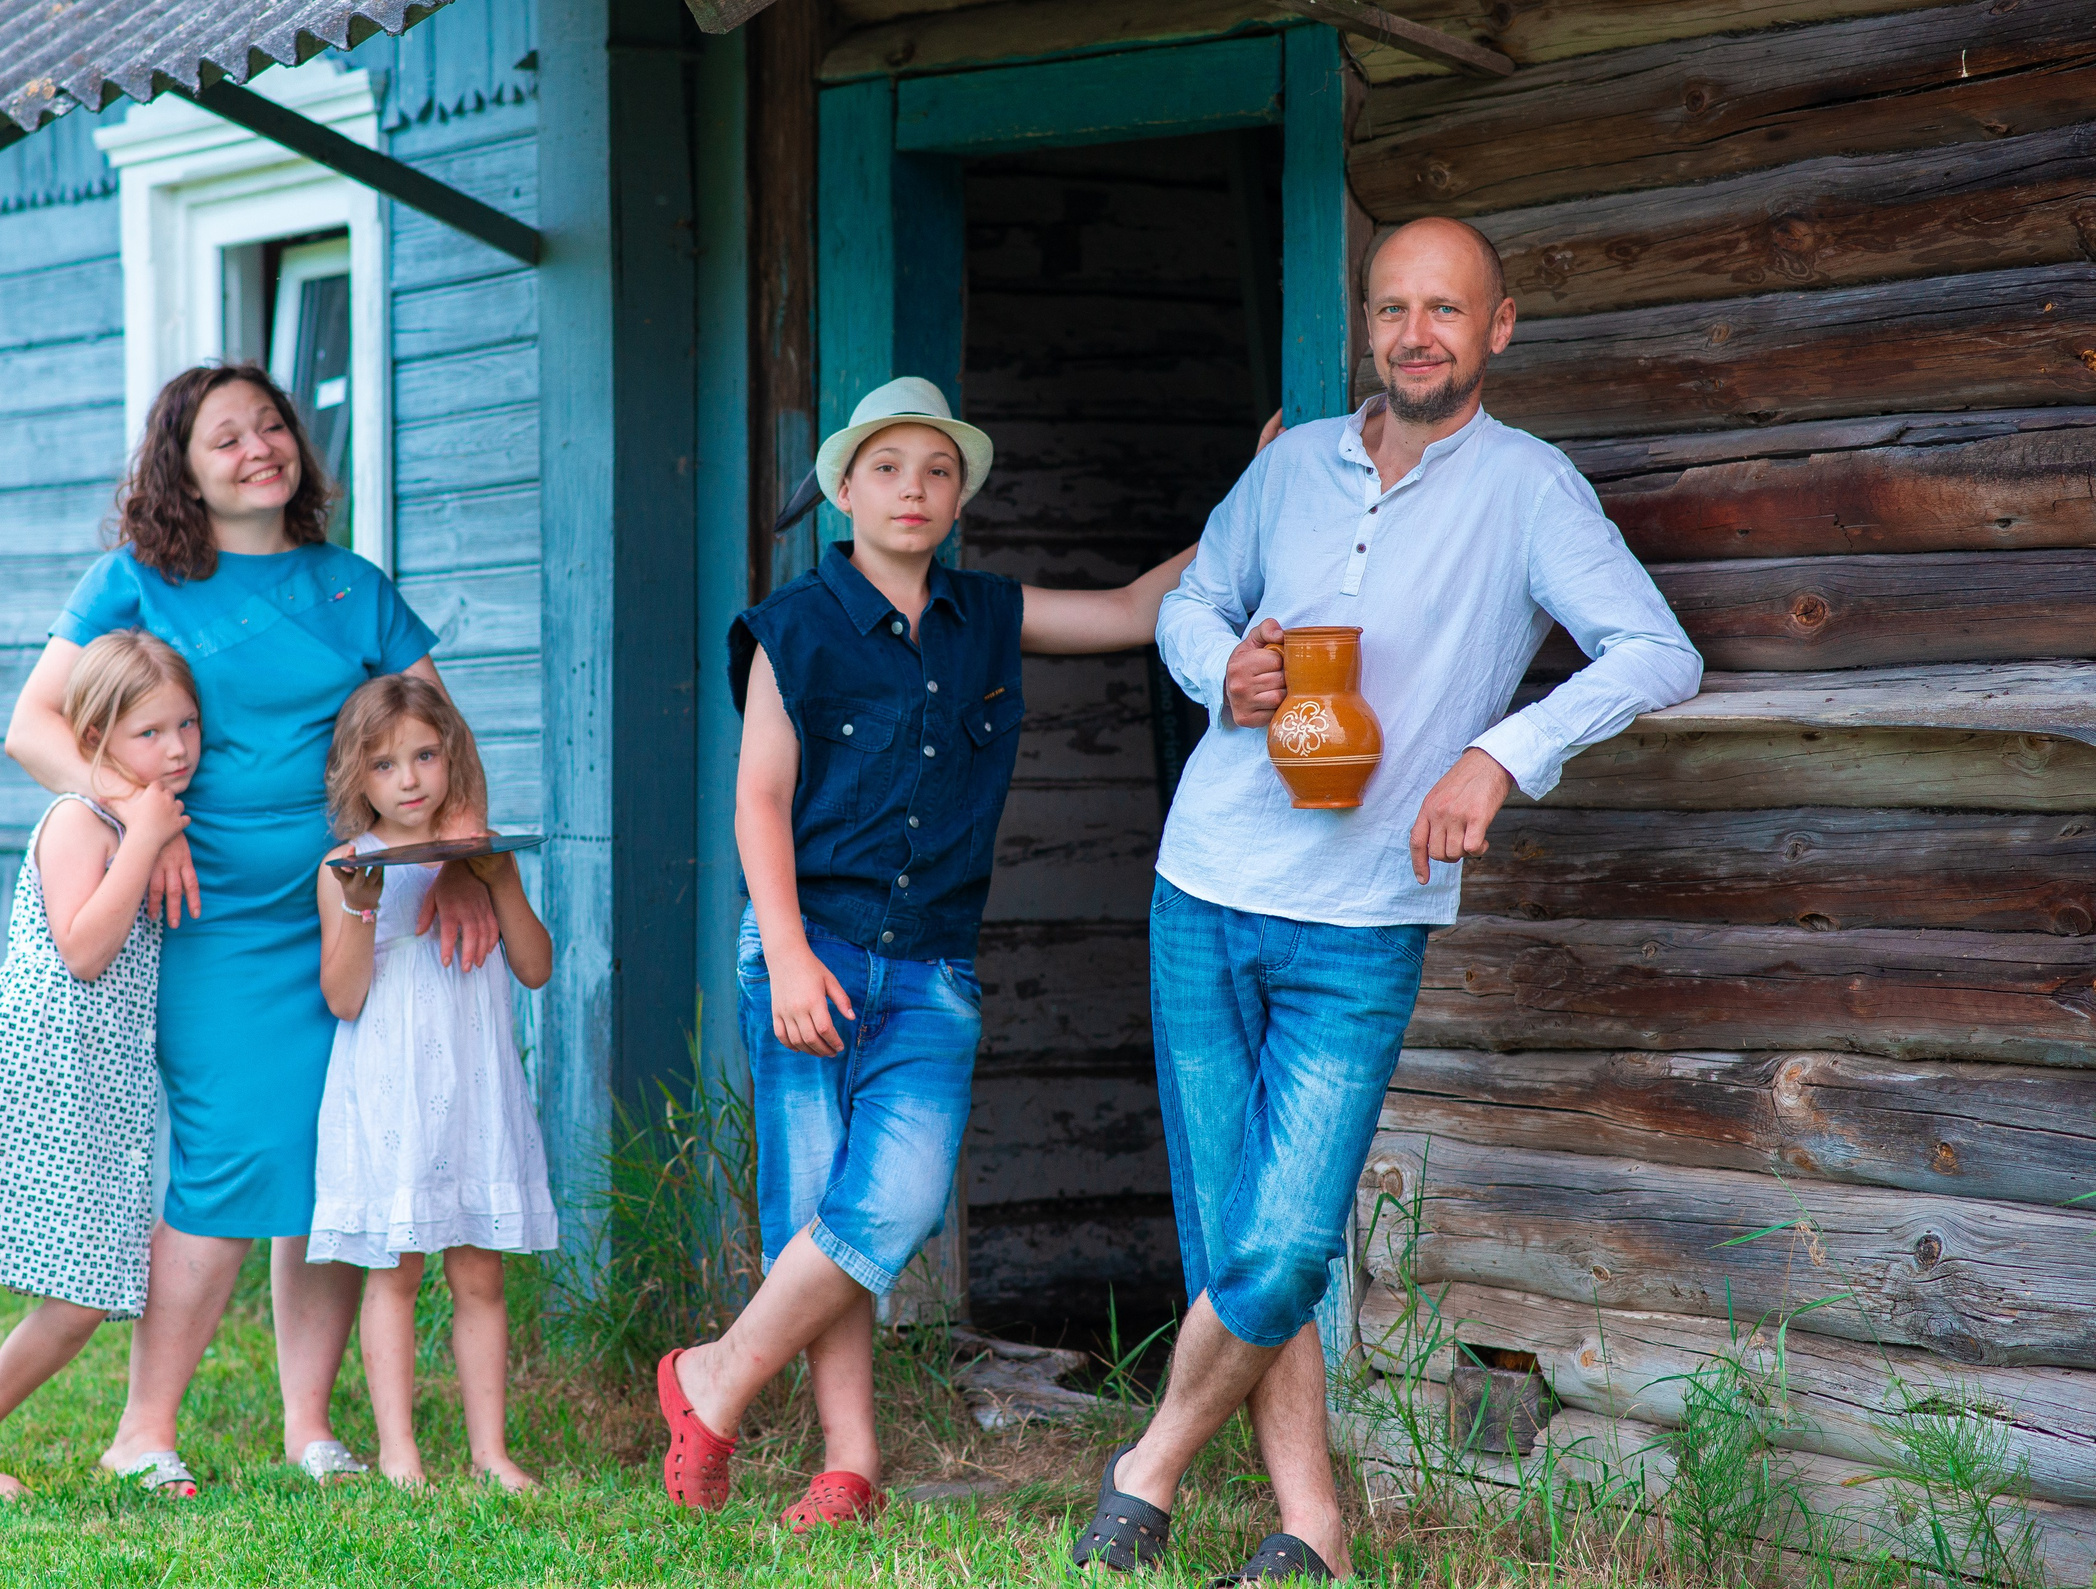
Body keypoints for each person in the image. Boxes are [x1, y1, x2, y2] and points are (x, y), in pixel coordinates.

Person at [1070, 217, 1702, 1581]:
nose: (1417, 334)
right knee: (1238, 1239)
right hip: (1204, 884)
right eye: (1393, 308)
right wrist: (1221, 668)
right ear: (1368, 324)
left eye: (1446, 310)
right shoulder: (1290, 466)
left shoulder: (1530, 490)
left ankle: (1146, 1468)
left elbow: (1657, 651)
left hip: (1363, 916)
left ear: (1499, 327)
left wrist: (1500, 754)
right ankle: (1312, 1529)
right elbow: (1194, 602)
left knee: (1286, 1241)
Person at [658, 375, 1201, 1533]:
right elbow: (759, 802)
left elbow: (1133, 608)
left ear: (959, 499)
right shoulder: (792, 629)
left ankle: (714, 1374)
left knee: (888, 1204)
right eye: (888, 467)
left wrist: (1263, 492)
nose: (913, 488)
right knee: (821, 1209)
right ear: (843, 490)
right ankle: (848, 1461)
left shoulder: (989, 614)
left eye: (938, 470)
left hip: (932, 972)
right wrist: (789, 953)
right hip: (809, 950)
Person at [2, 364, 499, 1496]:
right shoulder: (134, 581)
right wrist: (143, 816)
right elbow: (33, 726)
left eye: (271, 425)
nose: (258, 447)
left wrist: (460, 867)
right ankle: (142, 1428)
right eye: (224, 437)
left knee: (332, 1157)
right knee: (232, 1158)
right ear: (179, 467)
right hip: (206, 914)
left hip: (346, 908)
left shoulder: (351, 585)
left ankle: (308, 1425)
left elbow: (444, 740)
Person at [0, 631, 199, 1496]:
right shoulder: (80, 820)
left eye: (187, 724)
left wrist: (149, 830)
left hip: (93, 1085)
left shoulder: (135, 818)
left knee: (90, 1286)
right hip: (20, 1064)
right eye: (150, 732)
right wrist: (144, 838)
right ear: (96, 738)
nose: (176, 748)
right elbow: (83, 949)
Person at [308, 674, 557, 1490]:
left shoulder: (483, 857)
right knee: (397, 1269)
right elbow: (344, 996)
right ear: (356, 776)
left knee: (480, 1272)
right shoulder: (348, 866)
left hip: (474, 1085)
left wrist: (500, 878)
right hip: (391, 1090)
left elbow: (534, 965)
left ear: (452, 755)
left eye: (424, 755)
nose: (409, 779)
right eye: (384, 765)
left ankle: (491, 1452)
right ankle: (399, 1452)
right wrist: (362, 908)